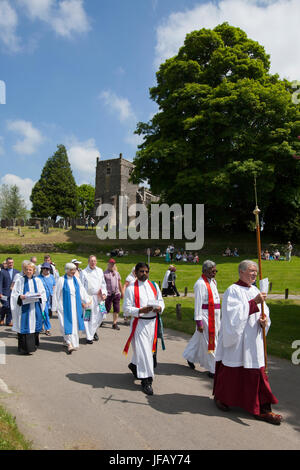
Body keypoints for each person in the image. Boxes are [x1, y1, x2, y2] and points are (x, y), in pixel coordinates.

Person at [213, 260, 282, 425]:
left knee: (257, 373)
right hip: (238, 340)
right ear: (241, 272)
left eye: (256, 272)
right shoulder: (233, 290)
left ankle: (263, 409)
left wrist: (264, 321)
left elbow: (264, 312)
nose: (254, 274)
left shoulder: (256, 290)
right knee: (231, 372)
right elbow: (232, 315)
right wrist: (254, 303)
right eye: (251, 271)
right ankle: (222, 398)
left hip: (253, 339)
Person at [123, 262, 165, 396]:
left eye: (146, 271)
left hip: (153, 323)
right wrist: (141, 310)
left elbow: (161, 300)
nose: (144, 274)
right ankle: (146, 380)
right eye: (141, 271)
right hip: (139, 324)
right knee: (145, 352)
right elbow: (126, 309)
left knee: (148, 350)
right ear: (136, 272)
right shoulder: (130, 288)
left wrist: (159, 308)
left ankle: (134, 366)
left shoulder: (154, 285)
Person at [183, 260, 221, 378]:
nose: (214, 273)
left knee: (200, 338)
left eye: (215, 271)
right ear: (205, 271)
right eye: (212, 271)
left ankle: (190, 356)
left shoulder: (213, 281)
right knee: (210, 341)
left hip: (215, 314)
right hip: (205, 315)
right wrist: (198, 321)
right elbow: (198, 303)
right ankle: (213, 368)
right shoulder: (200, 284)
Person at [11, 263, 47, 355]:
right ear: (24, 270)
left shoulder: (38, 280)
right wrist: (20, 296)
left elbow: (43, 293)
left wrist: (39, 295)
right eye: (26, 269)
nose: (28, 271)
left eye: (30, 270)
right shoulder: (20, 280)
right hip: (24, 308)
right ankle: (23, 349)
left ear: (33, 270)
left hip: (34, 308)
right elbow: (14, 294)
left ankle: (32, 346)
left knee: (34, 326)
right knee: (24, 326)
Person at [56, 263, 91, 354]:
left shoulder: (76, 280)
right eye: (72, 270)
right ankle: (69, 343)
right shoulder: (61, 280)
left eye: (74, 270)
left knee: (74, 325)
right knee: (65, 325)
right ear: (67, 270)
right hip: (64, 306)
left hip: (75, 306)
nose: (73, 272)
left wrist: (86, 300)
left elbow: (81, 290)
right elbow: (56, 294)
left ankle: (71, 342)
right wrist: (55, 306)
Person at [82, 255, 107, 343]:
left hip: (99, 297)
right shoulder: (84, 272)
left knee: (102, 314)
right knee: (88, 317)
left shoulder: (100, 271)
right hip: (89, 298)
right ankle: (89, 336)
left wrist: (104, 293)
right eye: (91, 261)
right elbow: (81, 287)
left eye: (94, 261)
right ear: (88, 261)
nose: (93, 262)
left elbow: (103, 284)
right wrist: (84, 300)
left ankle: (94, 331)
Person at [104, 259, 123, 330]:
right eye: (111, 264)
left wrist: (122, 292)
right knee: (106, 309)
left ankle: (114, 323)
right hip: (108, 294)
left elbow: (119, 283)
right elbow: (102, 284)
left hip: (116, 293)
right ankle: (100, 319)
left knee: (117, 309)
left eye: (113, 264)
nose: (112, 265)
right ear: (108, 264)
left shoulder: (117, 273)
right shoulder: (104, 273)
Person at [0, 257, 19, 326]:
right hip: (4, 292)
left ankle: (8, 321)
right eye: (9, 263)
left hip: (13, 293)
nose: (11, 264)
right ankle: (1, 318)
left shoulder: (17, 272)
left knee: (11, 306)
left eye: (12, 262)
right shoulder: (2, 272)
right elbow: (0, 282)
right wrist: (0, 293)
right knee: (5, 306)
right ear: (6, 264)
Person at [38, 262, 56, 336]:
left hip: (50, 298)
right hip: (42, 299)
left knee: (44, 313)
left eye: (47, 268)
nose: (46, 270)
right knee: (45, 313)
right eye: (44, 268)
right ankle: (47, 329)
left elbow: (54, 285)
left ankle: (40, 326)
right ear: (42, 269)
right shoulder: (38, 278)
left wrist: (53, 295)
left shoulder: (51, 276)